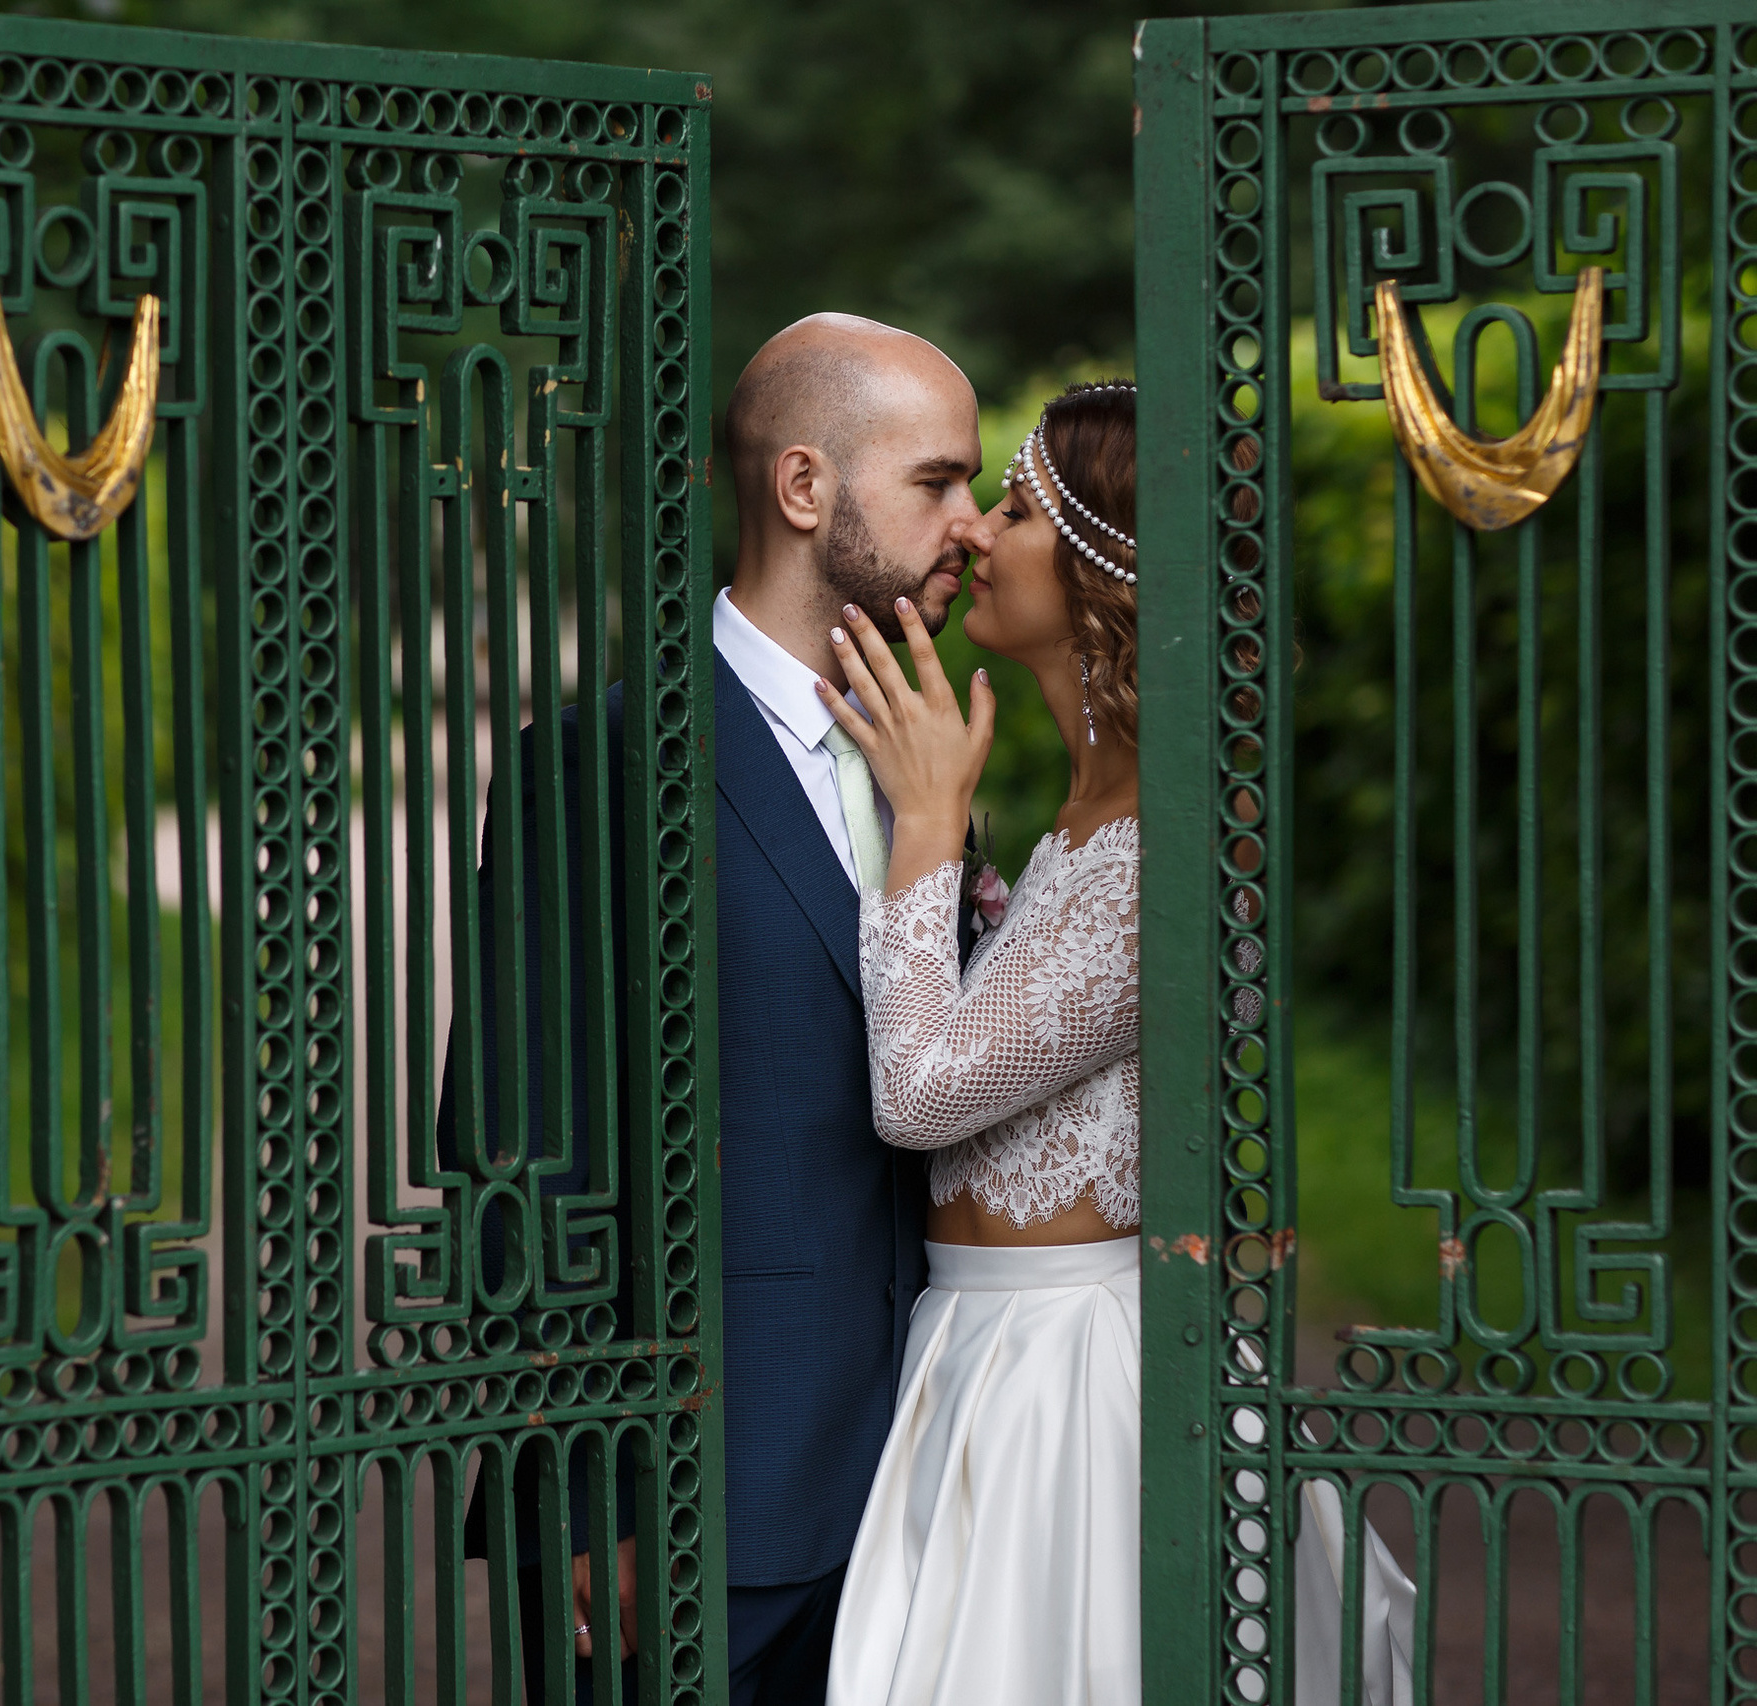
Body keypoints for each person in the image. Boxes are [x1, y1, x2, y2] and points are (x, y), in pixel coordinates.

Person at [813, 382, 1413, 1706]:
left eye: (1016, 508)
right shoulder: (1083, 825)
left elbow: (919, 1093)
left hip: (1077, 1403)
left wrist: (921, 825)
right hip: (974, 1366)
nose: (972, 535)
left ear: (1100, 572)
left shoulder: (1163, 858)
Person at [457, 312, 988, 1706]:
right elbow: (520, 1150)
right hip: (700, 1506)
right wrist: (583, 1494)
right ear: (806, 489)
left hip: (929, 1497)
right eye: (938, 481)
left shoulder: (925, 770)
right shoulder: (596, 767)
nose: (975, 526)